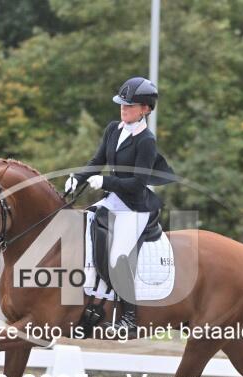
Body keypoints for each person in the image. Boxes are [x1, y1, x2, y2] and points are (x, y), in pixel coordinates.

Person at [65, 77, 175, 336]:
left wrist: (106, 181)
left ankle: (129, 317)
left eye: (130, 105)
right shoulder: (113, 129)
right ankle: (87, 298)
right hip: (114, 200)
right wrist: (77, 178)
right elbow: (97, 160)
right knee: (81, 234)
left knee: (118, 256)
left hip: (135, 207)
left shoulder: (146, 140)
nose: (123, 109)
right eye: (122, 104)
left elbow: (137, 184)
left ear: (145, 109)